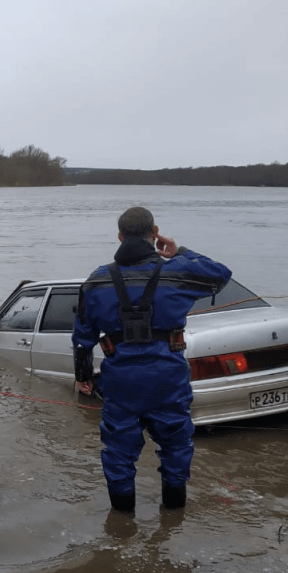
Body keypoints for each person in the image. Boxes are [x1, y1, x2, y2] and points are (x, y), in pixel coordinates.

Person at [72, 207, 232, 513]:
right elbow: (221, 274)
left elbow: (82, 337)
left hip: (121, 380)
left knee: (118, 453)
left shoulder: (96, 281)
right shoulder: (178, 272)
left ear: (119, 236)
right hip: (168, 378)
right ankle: (172, 524)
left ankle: (121, 530)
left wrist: (82, 375)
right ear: (154, 232)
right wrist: (179, 251)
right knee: (175, 447)